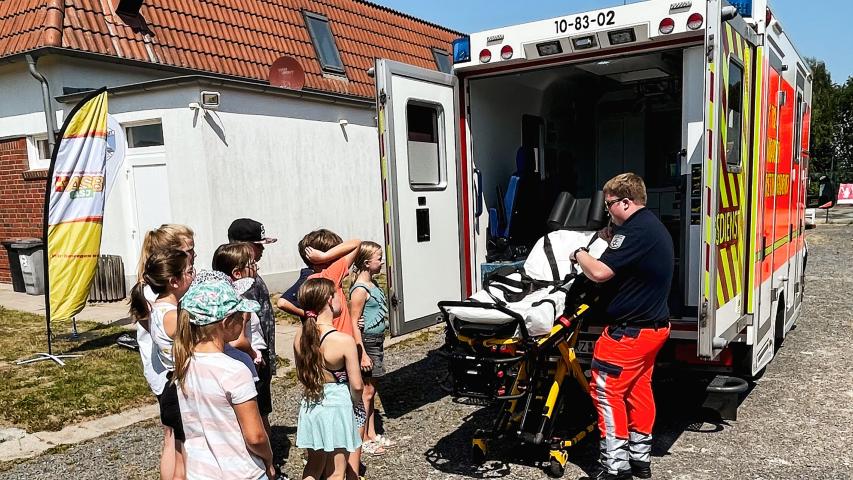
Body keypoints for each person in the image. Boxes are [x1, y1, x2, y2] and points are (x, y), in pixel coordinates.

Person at [569, 173, 673, 480]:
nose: (607, 211)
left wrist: (579, 254)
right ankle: (640, 459)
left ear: (626, 202)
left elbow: (600, 273)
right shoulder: (649, 226)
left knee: (606, 392)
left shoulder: (635, 233)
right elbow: (627, 252)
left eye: (609, 204)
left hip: (628, 334)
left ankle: (615, 467)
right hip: (653, 329)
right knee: (638, 390)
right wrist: (611, 235)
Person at [172, 276, 277, 480]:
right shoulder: (234, 370)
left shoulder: (184, 364)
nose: (244, 319)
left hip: (200, 472)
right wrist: (269, 459)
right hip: (242, 473)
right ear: (227, 322)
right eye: (241, 315)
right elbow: (255, 436)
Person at [302, 232, 365, 476]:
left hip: (312, 399)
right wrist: (328, 255)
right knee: (337, 471)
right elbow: (357, 243)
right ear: (329, 299)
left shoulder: (300, 336)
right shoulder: (331, 273)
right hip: (338, 399)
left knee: (314, 464)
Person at [129, 247, 195, 480]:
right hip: (182, 389)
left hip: (171, 386)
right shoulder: (173, 316)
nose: (194, 275)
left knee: (179, 454)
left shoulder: (157, 308)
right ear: (174, 281)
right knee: (188, 460)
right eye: (189, 271)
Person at [228, 219, 278, 441]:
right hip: (252, 354)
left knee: (262, 407)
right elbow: (240, 331)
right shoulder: (242, 282)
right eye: (258, 245)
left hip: (259, 351)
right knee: (256, 411)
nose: (262, 250)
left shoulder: (252, 275)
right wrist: (254, 354)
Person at [348, 241, 393, 456]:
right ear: (367, 263)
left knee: (372, 390)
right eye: (379, 258)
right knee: (367, 391)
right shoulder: (360, 290)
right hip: (367, 342)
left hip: (376, 340)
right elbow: (353, 322)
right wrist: (362, 353)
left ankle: (372, 432)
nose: (382, 262)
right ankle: (363, 437)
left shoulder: (372, 284)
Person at [212, 242, 266, 367]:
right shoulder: (239, 303)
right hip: (249, 359)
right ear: (237, 273)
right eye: (252, 264)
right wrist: (255, 355)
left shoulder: (222, 297)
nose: (256, 267)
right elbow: (238, 341)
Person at [277, 229, 343, 319]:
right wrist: (309, 314)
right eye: (333, 254)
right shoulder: (310, 278)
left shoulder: (330, 274)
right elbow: (282, 303)